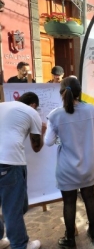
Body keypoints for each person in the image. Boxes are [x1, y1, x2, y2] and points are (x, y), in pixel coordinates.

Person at [44, 77, 94, 246]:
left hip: (67, 167)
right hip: (89, 164)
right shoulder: (93, 110)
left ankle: (70, 239)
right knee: (89, 196)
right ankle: (93, 231)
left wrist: (61, 138)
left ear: (62, 94)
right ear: (79, 92)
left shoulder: (55, 115)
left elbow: (48, 142)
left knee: (69, 202)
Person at [0, 92, 45, 249]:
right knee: (13, 207)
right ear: (33, 104)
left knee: (11, 205)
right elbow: (36, 147)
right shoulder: (32, 112)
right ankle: (20, 244)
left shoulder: (2, 105)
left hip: (5, 160)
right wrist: (42, 131)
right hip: (9, 162)